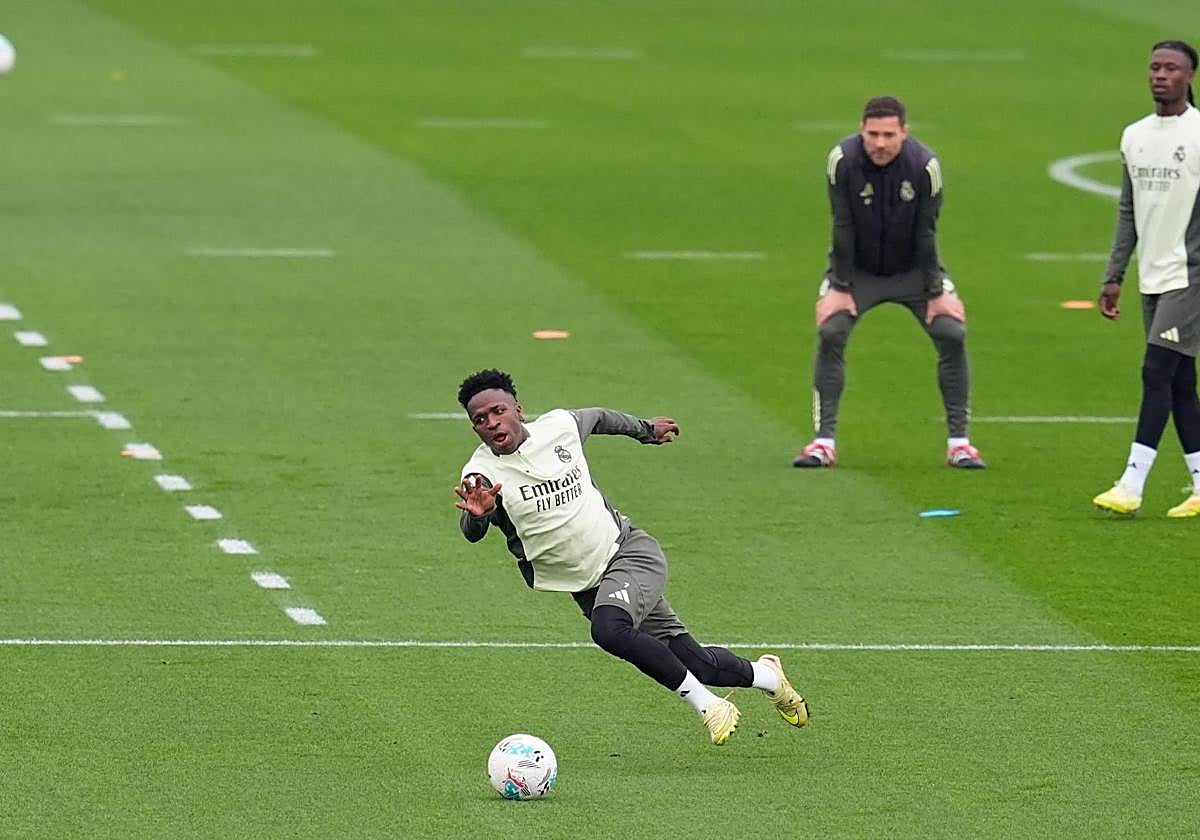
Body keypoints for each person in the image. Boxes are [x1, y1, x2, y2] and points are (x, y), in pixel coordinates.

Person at [452, 368, 809, 745]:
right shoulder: (482, 473)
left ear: (518, 410)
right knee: (697, 662)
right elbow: (470, 529)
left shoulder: (559, 427)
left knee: (608, 629)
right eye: (480, 420)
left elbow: (600, 417)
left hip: (628, 553)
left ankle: (708, 706)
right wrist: (481, 515)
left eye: (497, 411)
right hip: (588, 584)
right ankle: (769, 676)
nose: (492, 423)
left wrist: (645, 430)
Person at [793, 95, 985, 469]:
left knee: (951, 332)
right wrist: (841, 287)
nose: (880, 144)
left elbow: (927, 230)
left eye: (889, 135)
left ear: (904, 132)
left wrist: (934, 292)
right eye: (873, 134)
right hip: (858, 271)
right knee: (831, 330)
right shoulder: (843, 161)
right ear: (862, 130)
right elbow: (842, 224)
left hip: (913, 270)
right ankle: (823, 442)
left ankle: (960, 443)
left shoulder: (925, 166)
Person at [1092, 41, 1200, 518]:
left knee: (1155, 370)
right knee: (1178, 383)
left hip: (1190, 276)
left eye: (1172, 68)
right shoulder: (1134, 135)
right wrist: (1114, 274)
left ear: (1190, 76)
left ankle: (1131, 483)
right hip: (1152, 276)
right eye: (1155, 67)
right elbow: (1127, 209)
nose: (1161, 75)